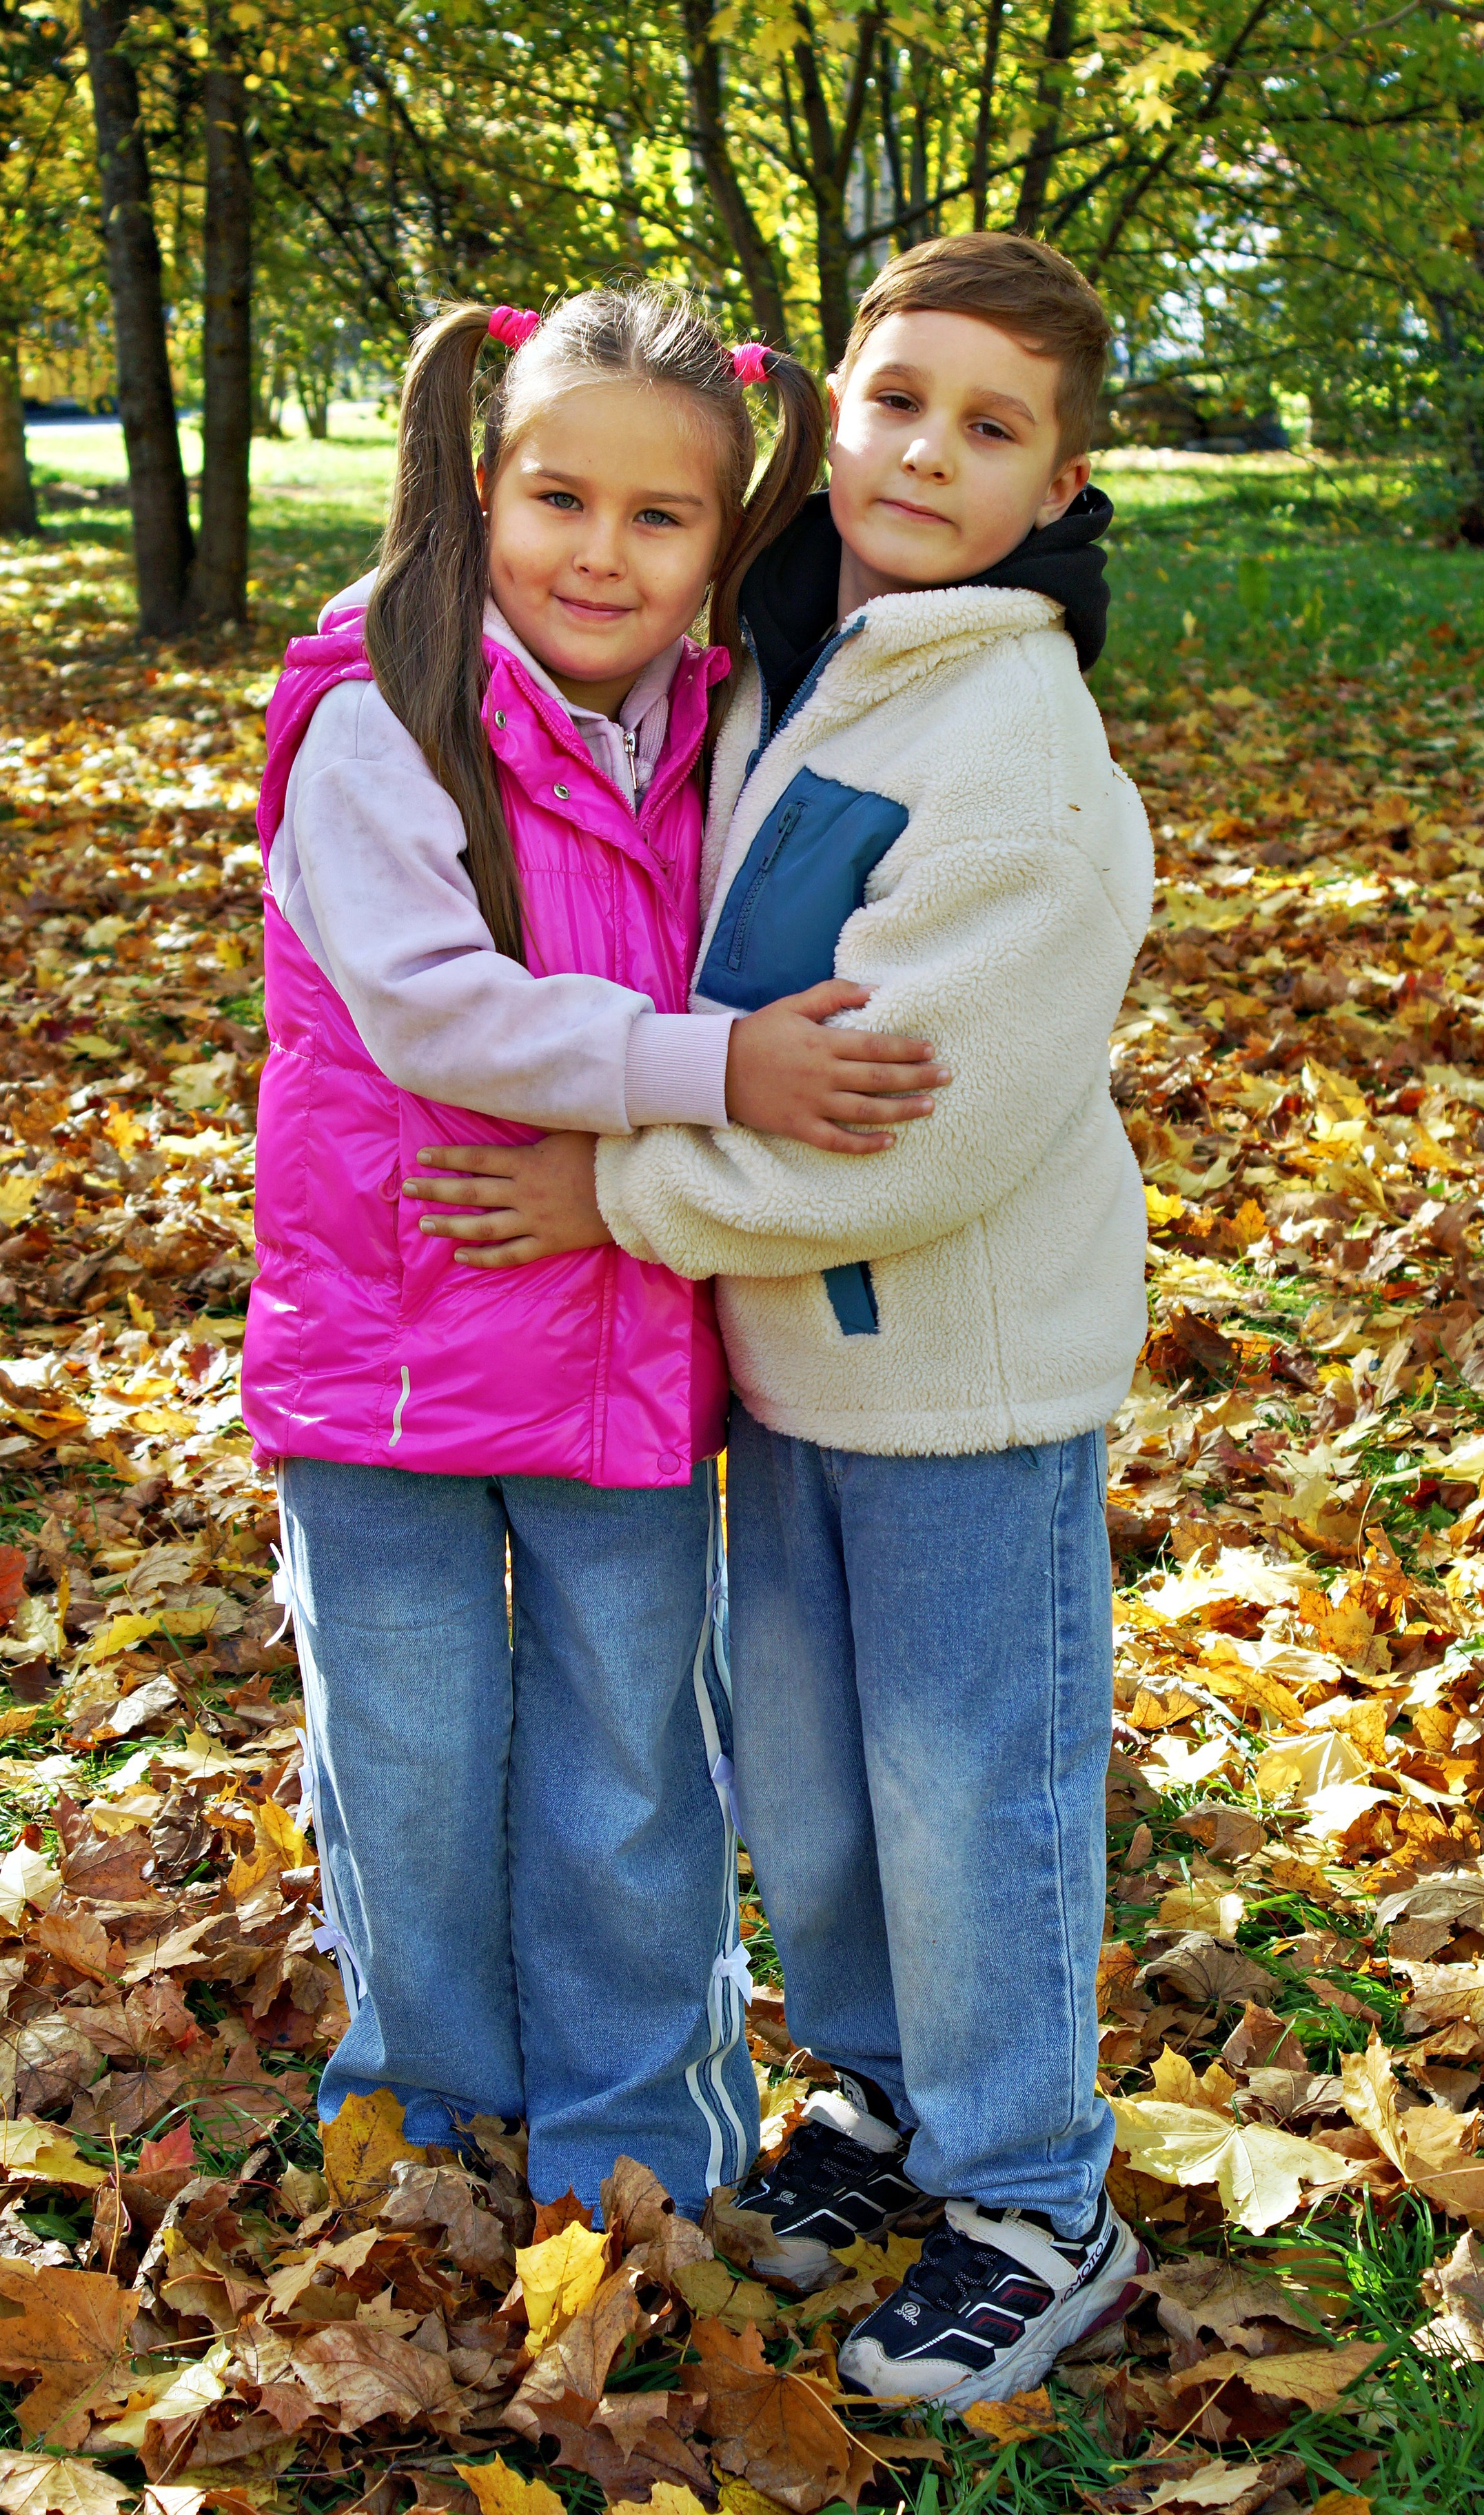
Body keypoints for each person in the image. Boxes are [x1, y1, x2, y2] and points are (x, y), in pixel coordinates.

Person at [408, 234, 1155, 2401]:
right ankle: (894, 2100)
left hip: (963, 1377)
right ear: (829, 411)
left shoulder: (1020, 748)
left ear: (1058, 481)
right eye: (897, 398)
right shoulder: (800, 657)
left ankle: (1038, 2192)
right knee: (817, 1787)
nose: (926, 450)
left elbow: (920, 1129)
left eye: (989, 427)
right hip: (796, 1359)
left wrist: (611, 1189)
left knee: (967, 1785)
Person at [246, 285, 947, 2217]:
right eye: (560, 499)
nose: (601, 554)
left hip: (625, 1344)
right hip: (386, 1352)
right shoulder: (375, 719)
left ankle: (643, 2144)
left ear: (725, 541)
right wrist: (717, 1068)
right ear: (483, 488)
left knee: (633, 1768)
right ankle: (427, 2114)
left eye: (661, 518)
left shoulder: (716, 727)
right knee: (405, 1762)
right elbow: (438, 1015)